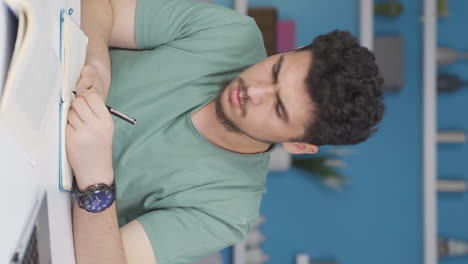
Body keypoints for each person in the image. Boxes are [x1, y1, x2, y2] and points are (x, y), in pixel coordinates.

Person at [66, 0, 385, 263]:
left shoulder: (228, 211)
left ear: (299, 145)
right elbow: (101, 4)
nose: (255, 91)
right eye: (275, 70)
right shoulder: (231, 33)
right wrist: (98, 64)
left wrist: (96, 181)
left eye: (278, 108)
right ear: (294, 49)